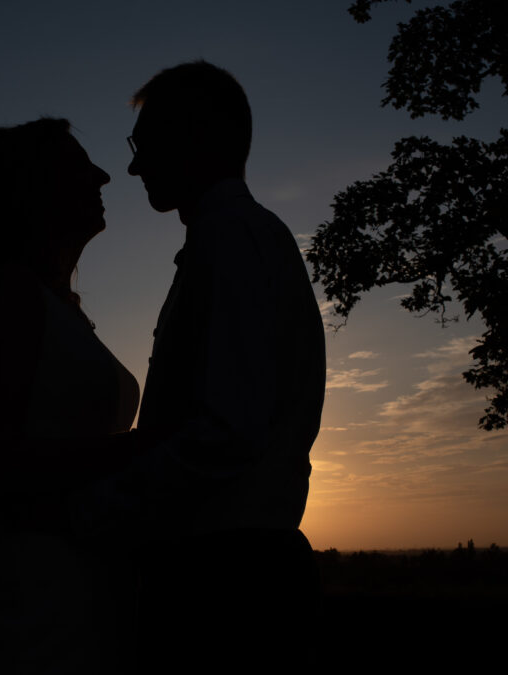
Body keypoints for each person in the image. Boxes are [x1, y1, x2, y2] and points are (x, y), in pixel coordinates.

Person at [75, 61, 326, 671]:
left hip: (224, 583)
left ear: (198, 134)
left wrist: (97, 509)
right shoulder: (233, 238)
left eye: (145, 143)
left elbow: (226, 432)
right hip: (227, 571)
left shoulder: (232, 239)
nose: (133, 167)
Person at [0, 118, 141, 674]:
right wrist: (145, 445)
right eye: (84, 167)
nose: (105, 176)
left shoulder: (53, 304)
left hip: (84, 579)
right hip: (39, 593)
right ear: (40, 188)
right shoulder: (8, 293)